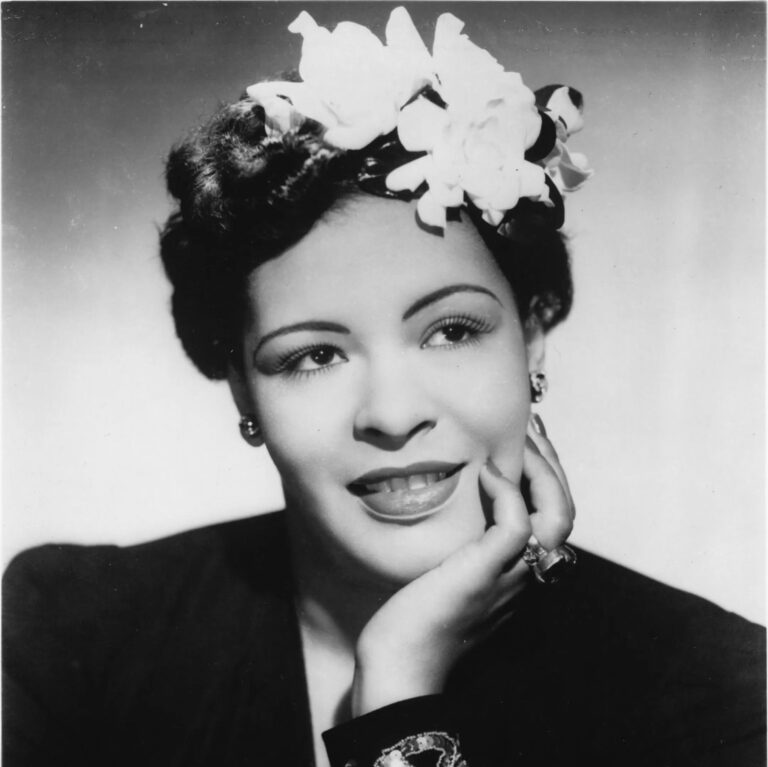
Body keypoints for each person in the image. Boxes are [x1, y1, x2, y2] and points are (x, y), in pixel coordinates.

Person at [3, 8, 764, 767]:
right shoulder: (72, 636)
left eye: (452, 331)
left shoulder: (715, 689)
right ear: (240, 385)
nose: (393, 416)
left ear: (531, 334)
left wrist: (400, 700)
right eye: (314, 355)